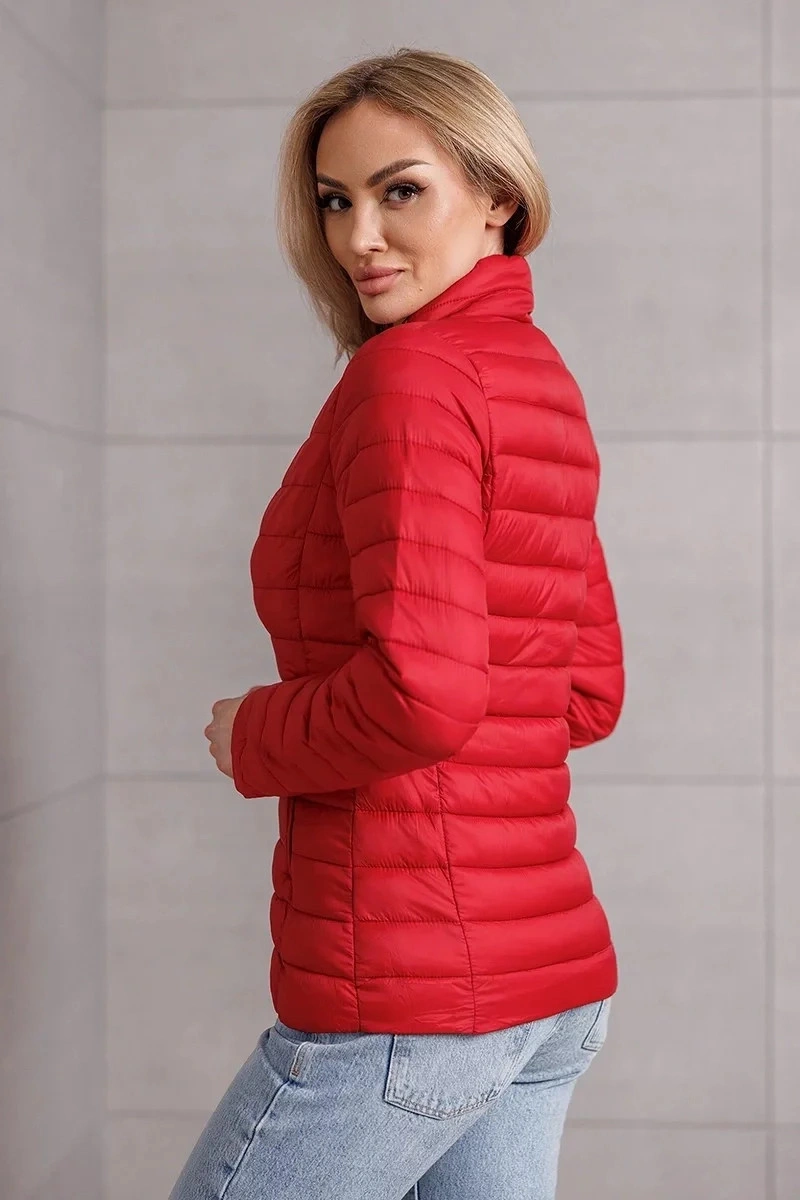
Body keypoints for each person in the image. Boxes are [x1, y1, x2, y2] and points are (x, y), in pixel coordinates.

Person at [174, 46, 625, 1200]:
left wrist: (256, 732)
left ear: (497, 197)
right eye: (335, 202)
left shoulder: (412, 378)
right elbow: (583, 693)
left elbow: (425, 693)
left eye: (399, 191)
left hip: (410, 995)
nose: (360, 237)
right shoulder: (533, 377)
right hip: (545, 984)